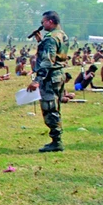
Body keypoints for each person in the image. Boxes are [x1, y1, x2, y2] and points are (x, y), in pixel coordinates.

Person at [26, 11, 68, 152]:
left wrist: (37, 80)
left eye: (43, 22)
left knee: (50, 109)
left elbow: (47, 61)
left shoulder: (50, 38)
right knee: (55, 107)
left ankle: (56, 142)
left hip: (50, 77)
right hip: (58, 75)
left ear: (50, 21)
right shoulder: (62, 35)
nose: (42, 25)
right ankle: (56, 139)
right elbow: (55, 54)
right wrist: (40, 41)